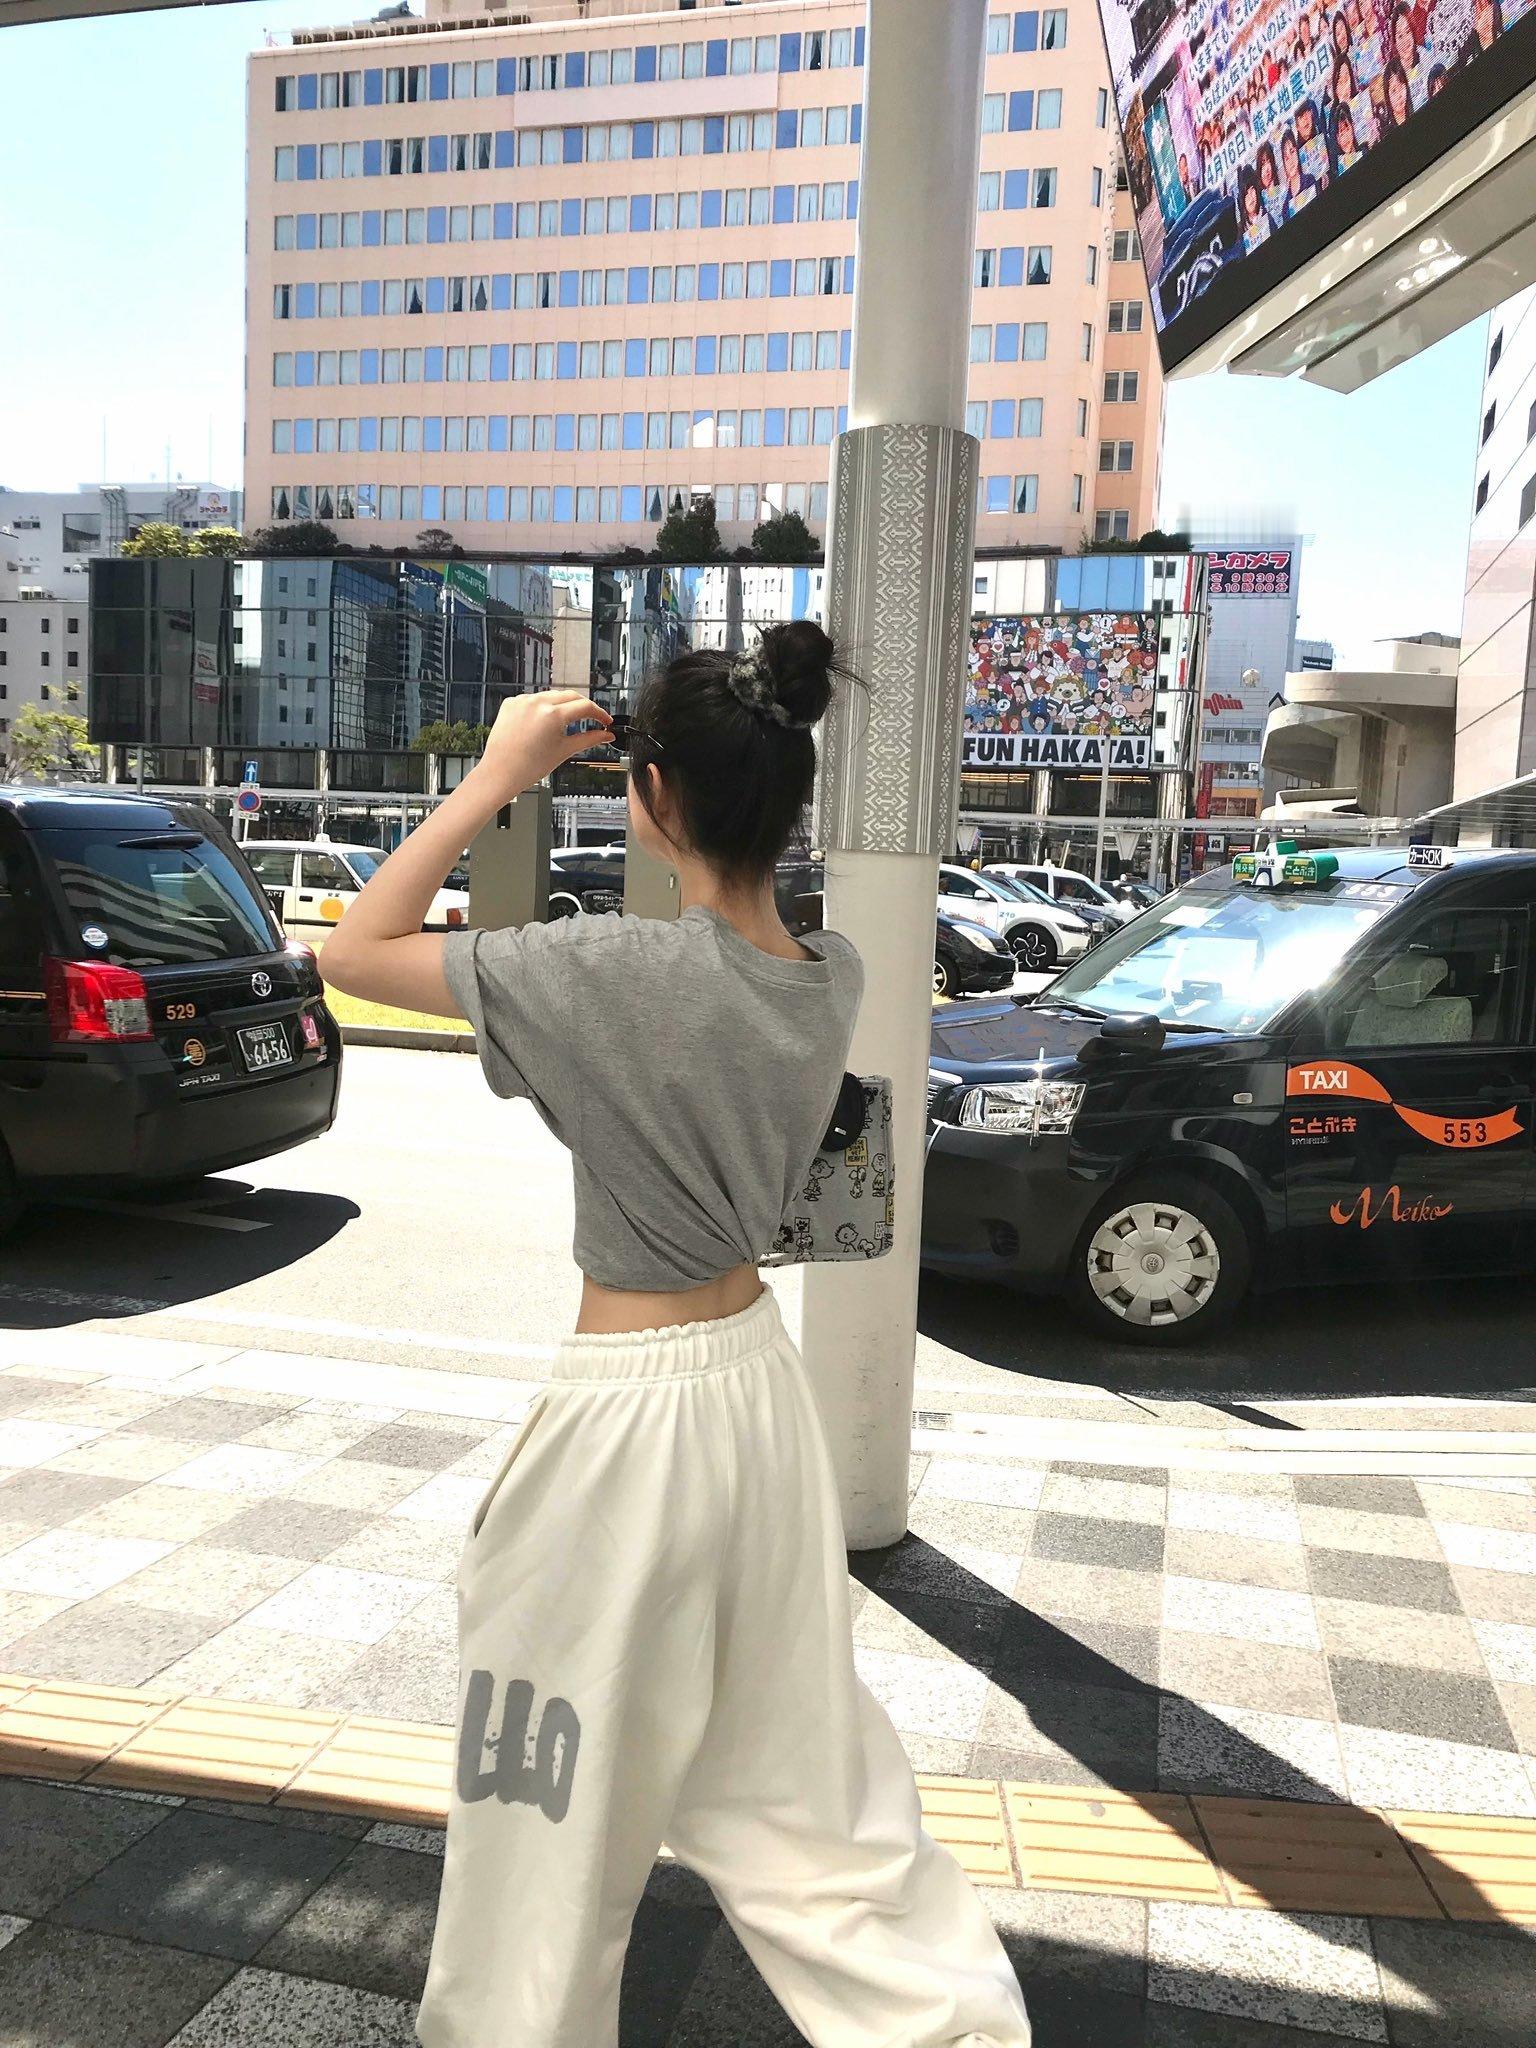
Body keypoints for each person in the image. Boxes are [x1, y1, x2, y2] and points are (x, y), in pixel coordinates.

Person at [320, 636, 1033, 2048]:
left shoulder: (609, 969)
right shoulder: (830, 975)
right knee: (805, 1785)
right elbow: (810, 1174)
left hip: (629, 1421)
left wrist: (497, 778)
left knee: (542, 1795)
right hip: (758, 1401)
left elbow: (353, 950)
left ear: (653, 797)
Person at [1238, 163, 1271, 249]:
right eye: (1246, 193)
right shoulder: (1241, 233)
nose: (1251, 197)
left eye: (1252, 190)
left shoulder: (1268, 218)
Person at [1380, 53, 1414, 126]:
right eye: (1394, 91)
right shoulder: (1387, 131)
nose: (1399, 95)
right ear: (1387, 95)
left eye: (1401, 87)